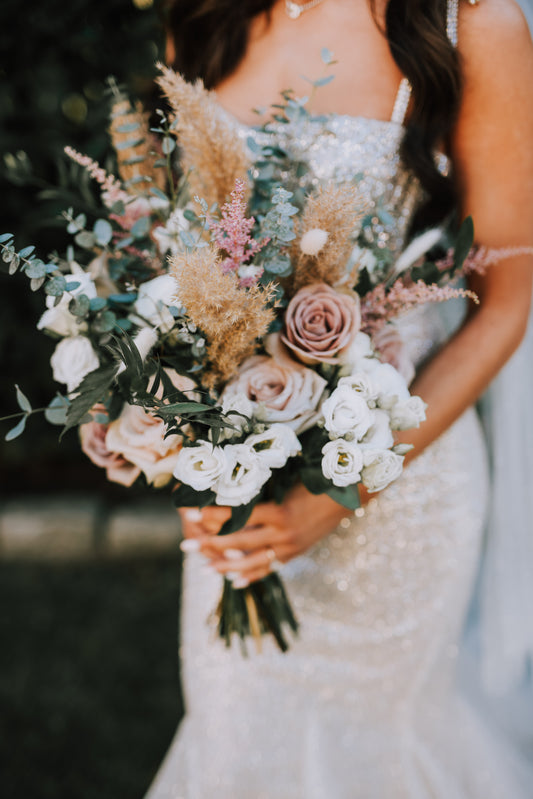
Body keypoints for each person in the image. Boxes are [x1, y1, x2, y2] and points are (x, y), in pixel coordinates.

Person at [147, 0, 533, 796]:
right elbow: (180, 254)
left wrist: (339, 492)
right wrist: (178, 442)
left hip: (399, 489)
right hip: (238, 500)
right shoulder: (204, 16)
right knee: (235, 739)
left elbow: (506, 299)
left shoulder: (471, 26)